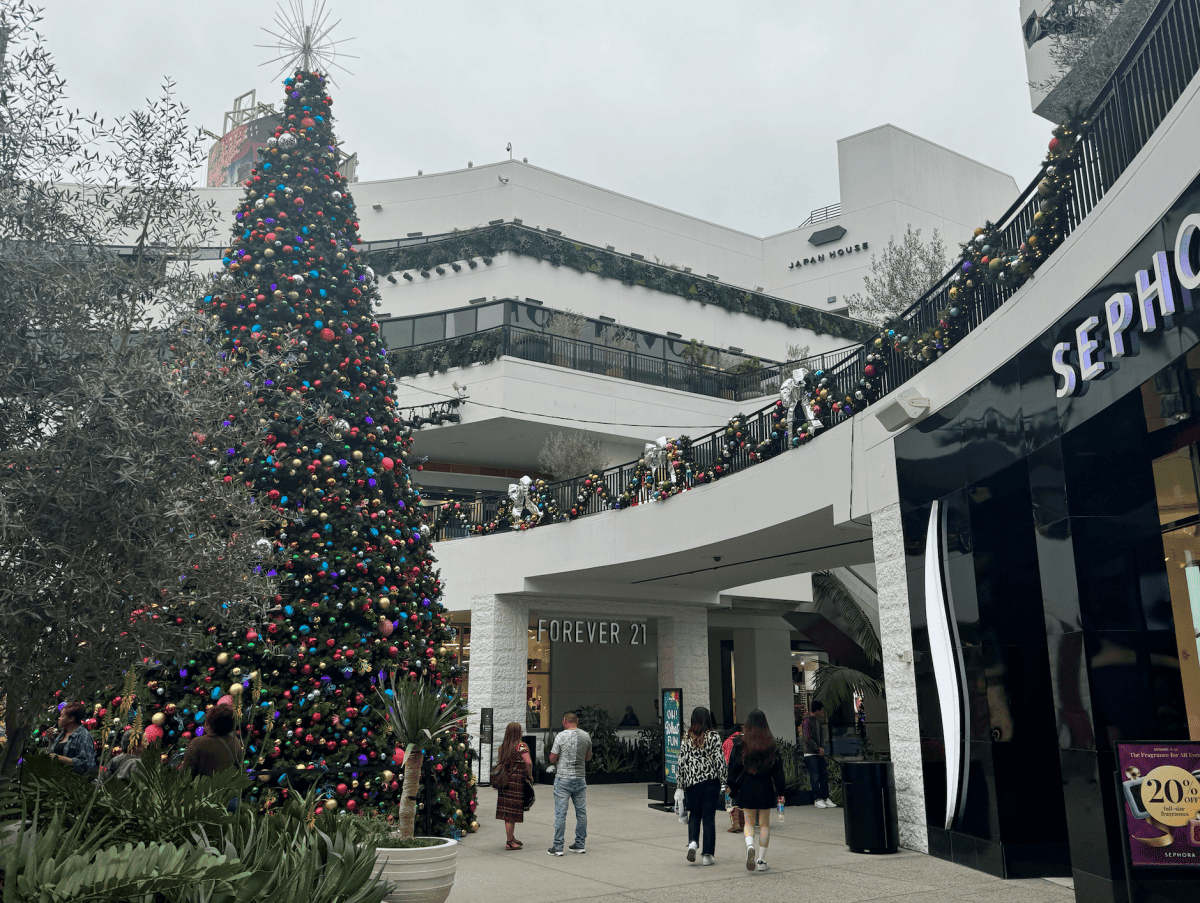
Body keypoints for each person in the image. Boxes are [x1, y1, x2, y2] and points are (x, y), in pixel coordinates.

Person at [727, 709, 785, 872]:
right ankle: (761, 860)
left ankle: (750, 846)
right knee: (764, 824)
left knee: (749, 822)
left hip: (746, 786)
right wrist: (781, 791)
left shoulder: (740, 744)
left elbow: (733, 769)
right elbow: (778, 771)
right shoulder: (770, 745)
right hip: (765, 786)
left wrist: (732, 788)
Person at [676, 706, 726, 866]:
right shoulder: (714, 736)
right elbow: (719, 760)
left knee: (694, 814)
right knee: (709, 818)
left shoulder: (686, 737)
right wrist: (724, 780)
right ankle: (707, 855)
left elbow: (681, 762)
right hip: (711, 782)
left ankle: (692, 842)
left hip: (691, 782)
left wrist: (680, 784)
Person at [547, 711, 591, 856]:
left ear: (565, 721)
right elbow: (588, 757)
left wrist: (555, 756)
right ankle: (580, 844)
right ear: (576, 721)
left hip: (563, 779)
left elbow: (553, 758)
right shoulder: (586, 736)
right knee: (581, 812)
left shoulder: (561, 736)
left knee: (561, 812)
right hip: (580, 778)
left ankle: (558, 846)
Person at [494, 722, 533, 851]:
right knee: (512, 814)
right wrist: (530, 775)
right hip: (516, 783)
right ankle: (509, 842)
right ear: (518, 732)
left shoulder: (503, 747)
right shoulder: (521, 746)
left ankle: (511, 837)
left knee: (508, 813)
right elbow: (528, 762)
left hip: (504, 783)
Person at [180, 704, 242, 777]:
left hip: (203, 787)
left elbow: (185, 774)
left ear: (210, 723)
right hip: (226, 787)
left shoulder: (198, 743)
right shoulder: (235, 742)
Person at [801, 701, 837, 809]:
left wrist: (820, 748)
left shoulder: (816, 721)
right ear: (817, 710)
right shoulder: (807, 721)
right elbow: (807, 738)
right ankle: (818, 799)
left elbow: (820, 737)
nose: (823, 712)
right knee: (815, 776)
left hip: (817, 752)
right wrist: (818, 749)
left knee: (823, 775)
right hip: (811, 753)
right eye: (821, 710)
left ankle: (825, 797)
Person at [46, 702, 96, 776]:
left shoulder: (84, 736)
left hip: (72, 782)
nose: (59, 718)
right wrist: (50, 739)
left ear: (71, 719)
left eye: (62, 716)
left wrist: (59, 758)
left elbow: (85, 764)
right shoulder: (62, 734)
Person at [722, 727, 744, 832]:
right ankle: (744, 822)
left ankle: (735, 823)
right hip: (745, 771)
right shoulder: (746, 739)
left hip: (732, 769)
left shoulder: (728, 742)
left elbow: (725, 757)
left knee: (731, 797)